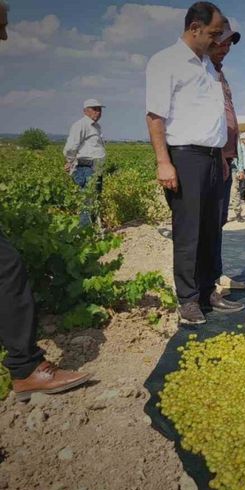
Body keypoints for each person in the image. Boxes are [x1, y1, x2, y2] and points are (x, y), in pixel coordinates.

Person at [0, 0, 93, 401]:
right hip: (85, 168)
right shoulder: (77, 126)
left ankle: (23, 366)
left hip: (95, 169)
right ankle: (24, 369)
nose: (5, 35)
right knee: (7, 268)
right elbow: (70, 150)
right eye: (1, 23)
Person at [145, 1, 244, 325]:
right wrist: (164, 161)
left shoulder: (207, 66)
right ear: (194, 28)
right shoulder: (166, 62)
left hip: (213, 157)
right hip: (185, 156)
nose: (217, 40)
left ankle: (208, 291)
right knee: (189, 231)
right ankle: (188, 300)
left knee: (212, 228)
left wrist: (222, 157)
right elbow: (155, 115)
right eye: (214, 33)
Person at [209, 17, 245, 294]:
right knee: (208, 220)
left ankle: (215, 274)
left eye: (229, 45)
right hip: (213, 155)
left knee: (219, 219)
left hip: (227, 154)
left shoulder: (219, 73)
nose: (226, 49)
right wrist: (219, 152)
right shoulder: (203, 73)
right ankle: (206, 281)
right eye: (222, 43)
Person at [63, 98, 107, 226]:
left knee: (95, 200)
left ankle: (92, 229)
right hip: (87, 168)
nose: (98, 112)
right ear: (85, 111)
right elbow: (71, 147)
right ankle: (84, 231)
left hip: (96, 168)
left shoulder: (96, 127)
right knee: (88, 201)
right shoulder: (80, 125)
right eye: (94, 109)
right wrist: (70, 162)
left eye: (99, 110)